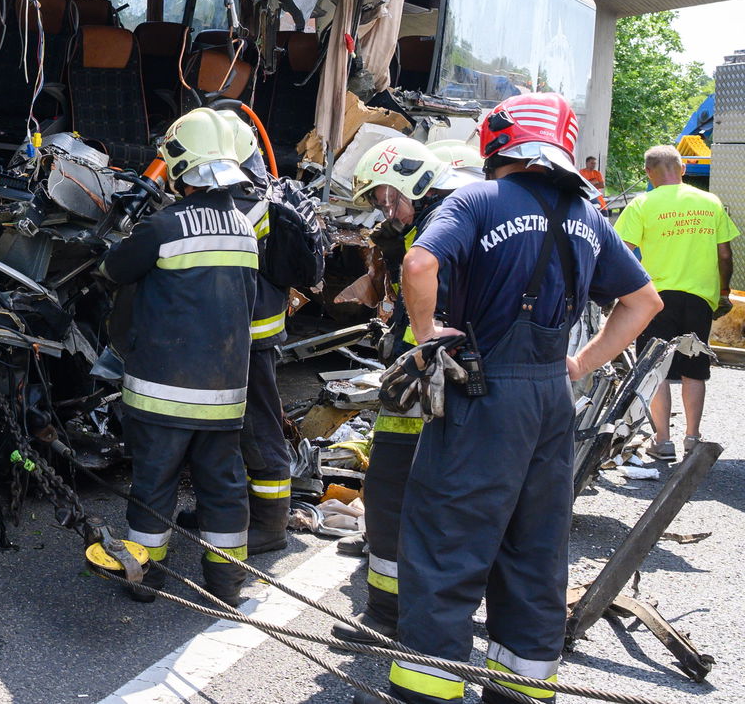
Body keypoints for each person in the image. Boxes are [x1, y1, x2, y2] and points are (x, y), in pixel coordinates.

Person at [377, 94, 661, 704]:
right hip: (551, 401)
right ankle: (522, 688)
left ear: (495, 142)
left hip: (484, 395)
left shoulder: (476, 200)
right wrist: (582, 363)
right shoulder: (588, 215)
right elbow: (644, 302)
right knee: (535, 545)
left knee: (449, 536)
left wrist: (428, 337)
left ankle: (429, 687)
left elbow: (421, 262)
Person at [98, 106, 257, 606]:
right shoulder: (245, 229)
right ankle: (227, 583)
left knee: (154, 483)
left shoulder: (164, 227)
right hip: (225, 394)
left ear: (181, 168)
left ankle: (144, 578)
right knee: (224, 485)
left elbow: (114, 270)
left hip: (163, 392)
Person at [332, 137, 472, 647]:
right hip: (448, 381)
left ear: (413, 182)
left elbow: (430, 300)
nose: (384, 211)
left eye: (388, 199)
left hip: (427, 380)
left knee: (391, 494)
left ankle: (387, 613)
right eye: (377, 201)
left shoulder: (438, 232)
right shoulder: (452, 222)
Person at [215, 108, 324, 555]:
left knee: (258, 430)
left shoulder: (245, 202)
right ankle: (230, 510)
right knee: (227, 426)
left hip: (250, 337)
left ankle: (270, 525)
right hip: (252, 329)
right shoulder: (261, 191)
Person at [614, 145, 738, 462]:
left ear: (648, 172)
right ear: (682, 168)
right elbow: (724, 254)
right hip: (699, 298)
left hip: (656, 299)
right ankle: (693, 439)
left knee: (655, 367)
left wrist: (623, 292)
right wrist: (723, 292)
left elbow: (620, 253)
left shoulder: (642, 203)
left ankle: (663, 441)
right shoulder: (710, 202)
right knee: (695, 368)